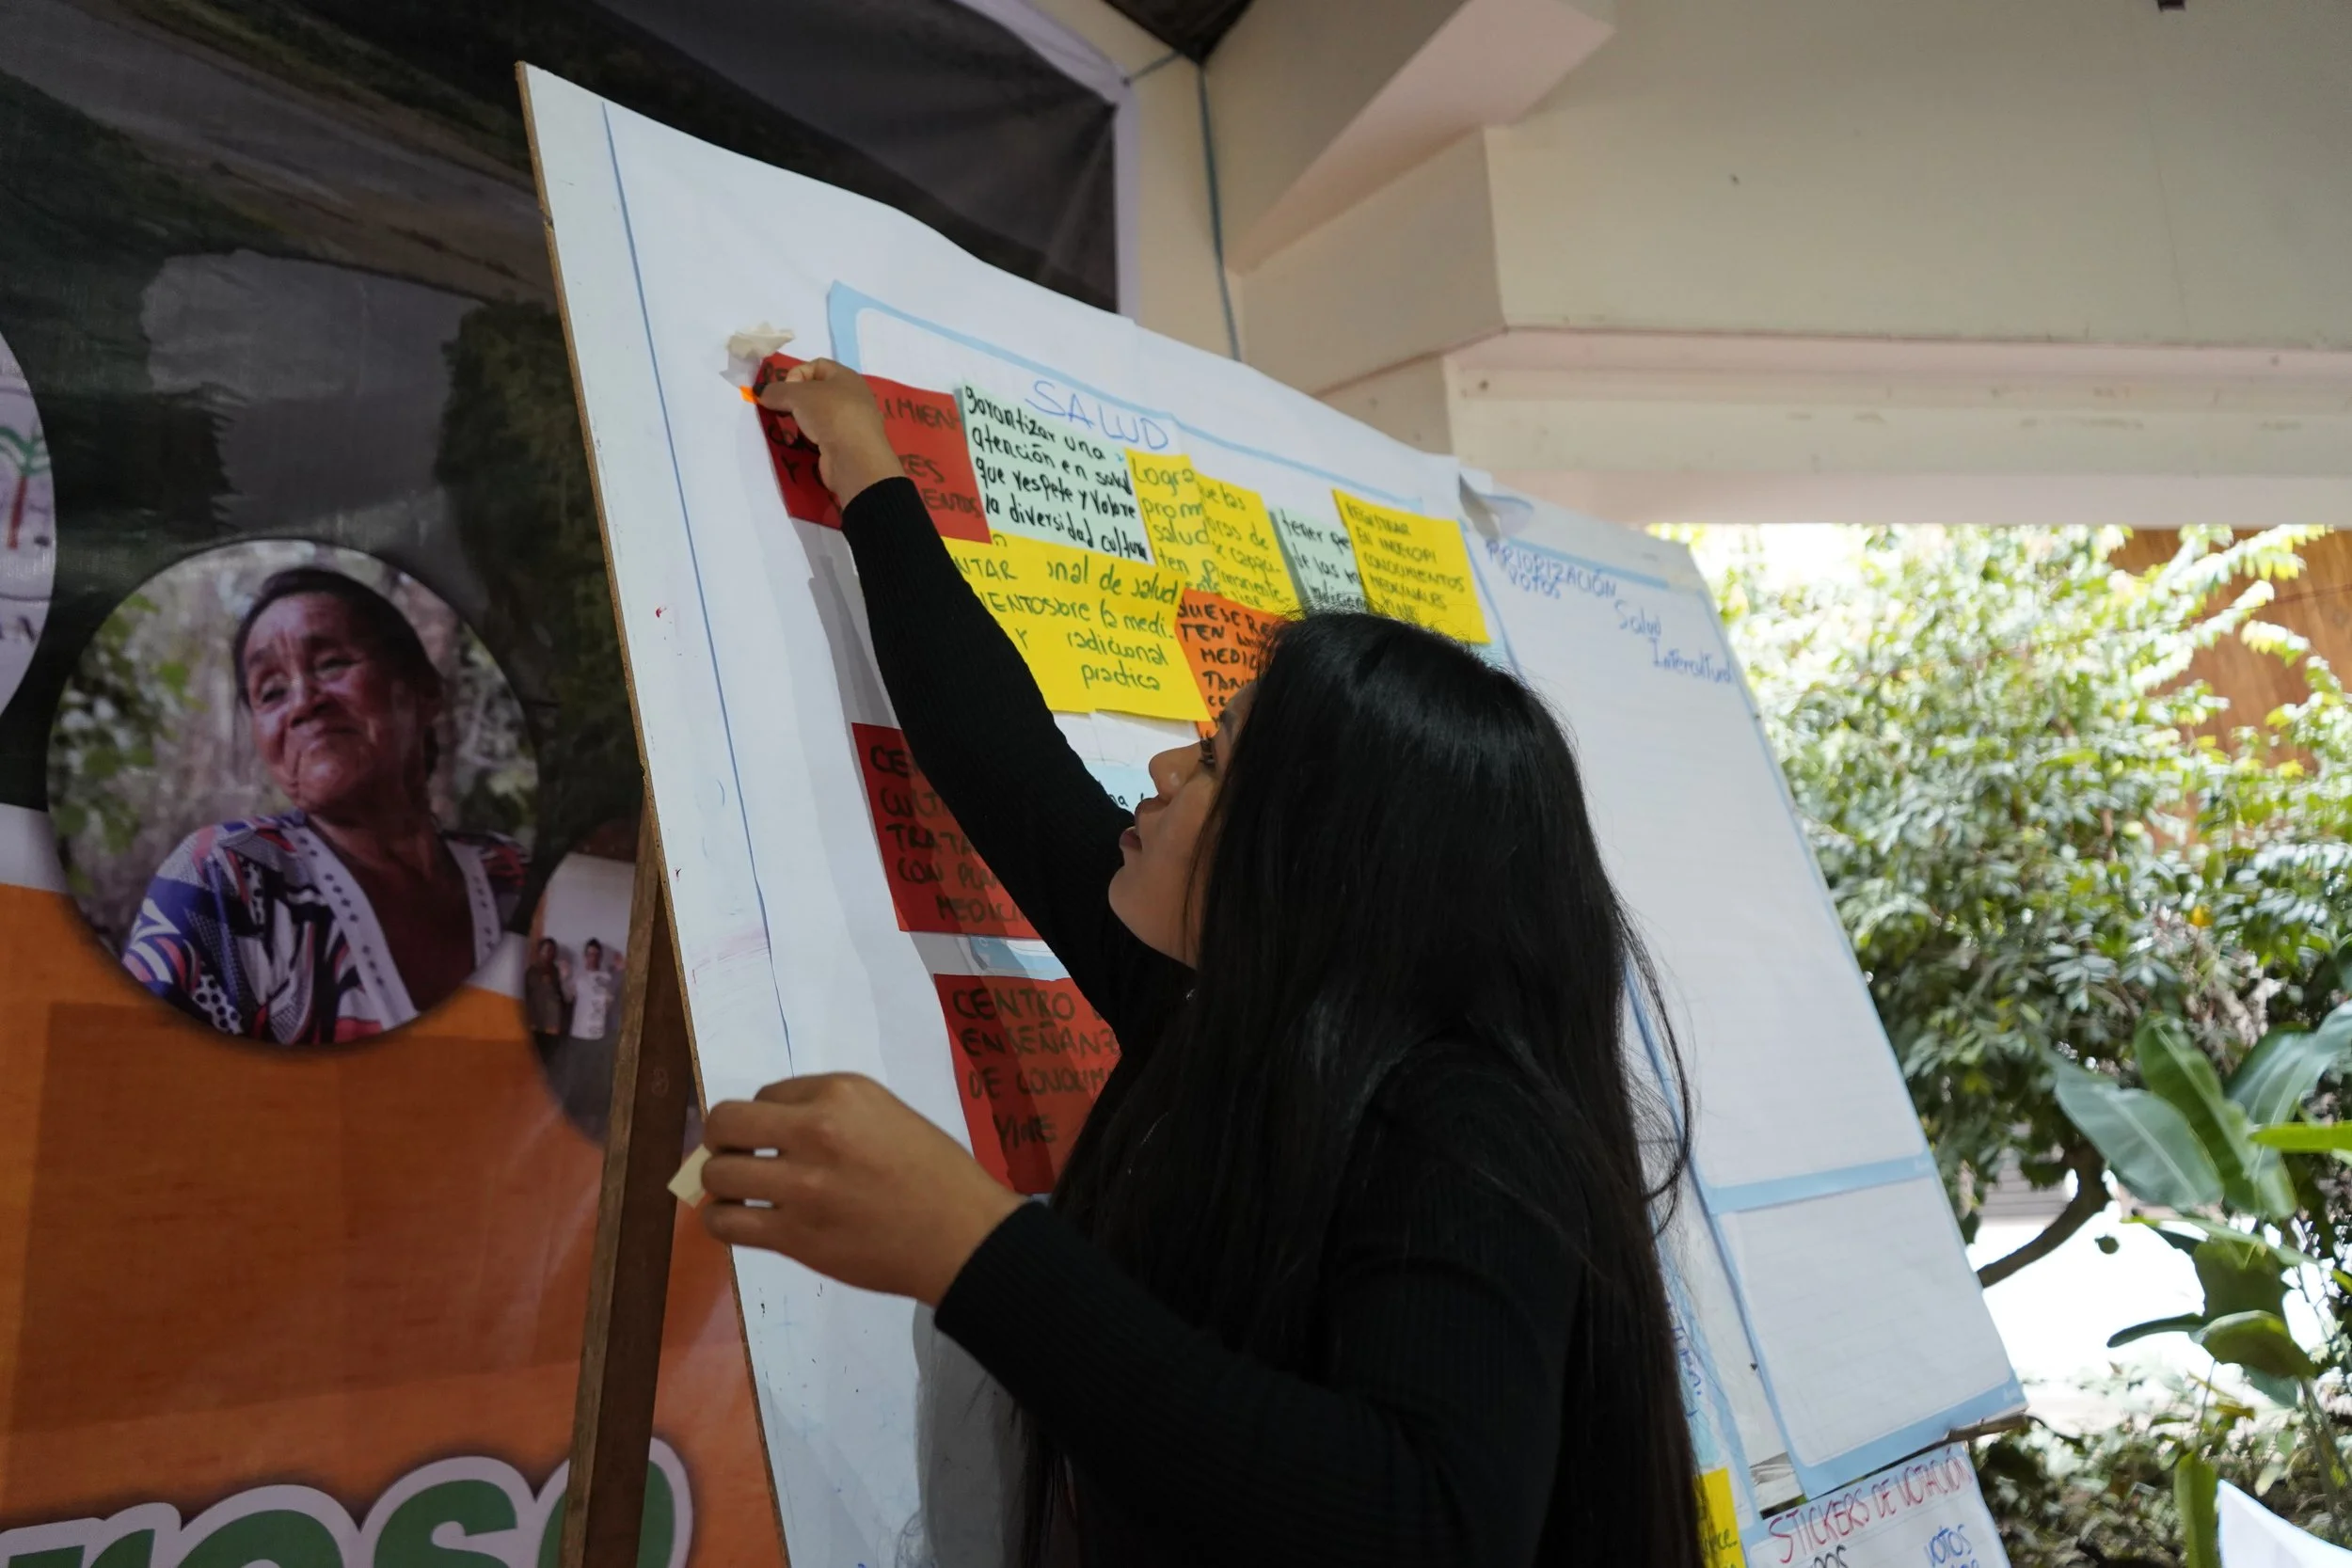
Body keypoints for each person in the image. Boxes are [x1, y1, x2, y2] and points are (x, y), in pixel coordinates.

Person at [701, 359, 1703, 1568]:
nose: (1166, 770)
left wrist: (975, 1251)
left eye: (1218, 761)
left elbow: (1429, 1519)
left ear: (1321, 859)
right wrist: (866, 466)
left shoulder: (1463, 1127)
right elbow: (1004, 758)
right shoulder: (1225, 1017)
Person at [123, 567, 526, 1044]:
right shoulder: (228, 879)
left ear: (424, 689)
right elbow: (140, 1087)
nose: (303, 703)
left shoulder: (513, 876)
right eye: (271, 691)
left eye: (332, 663)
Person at [525, 936, 571, 1056]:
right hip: (538, 1023)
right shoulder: (532, 972)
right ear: (540, 951)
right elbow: (529, 997)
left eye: (553, 951)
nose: (551, 954)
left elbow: (560, 995)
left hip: (554, 1024)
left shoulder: (555, 970)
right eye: (547, 950)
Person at [569, 938, 619, 1044]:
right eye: (590, 954)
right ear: (585, 956)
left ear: (600, 956)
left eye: (596, 954)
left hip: (599, 1034)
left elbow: (611, 1003)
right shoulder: (577, 976)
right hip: (579, 1032)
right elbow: (568, 998)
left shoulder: (607, 977)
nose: (593, 957)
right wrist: (565, 978)